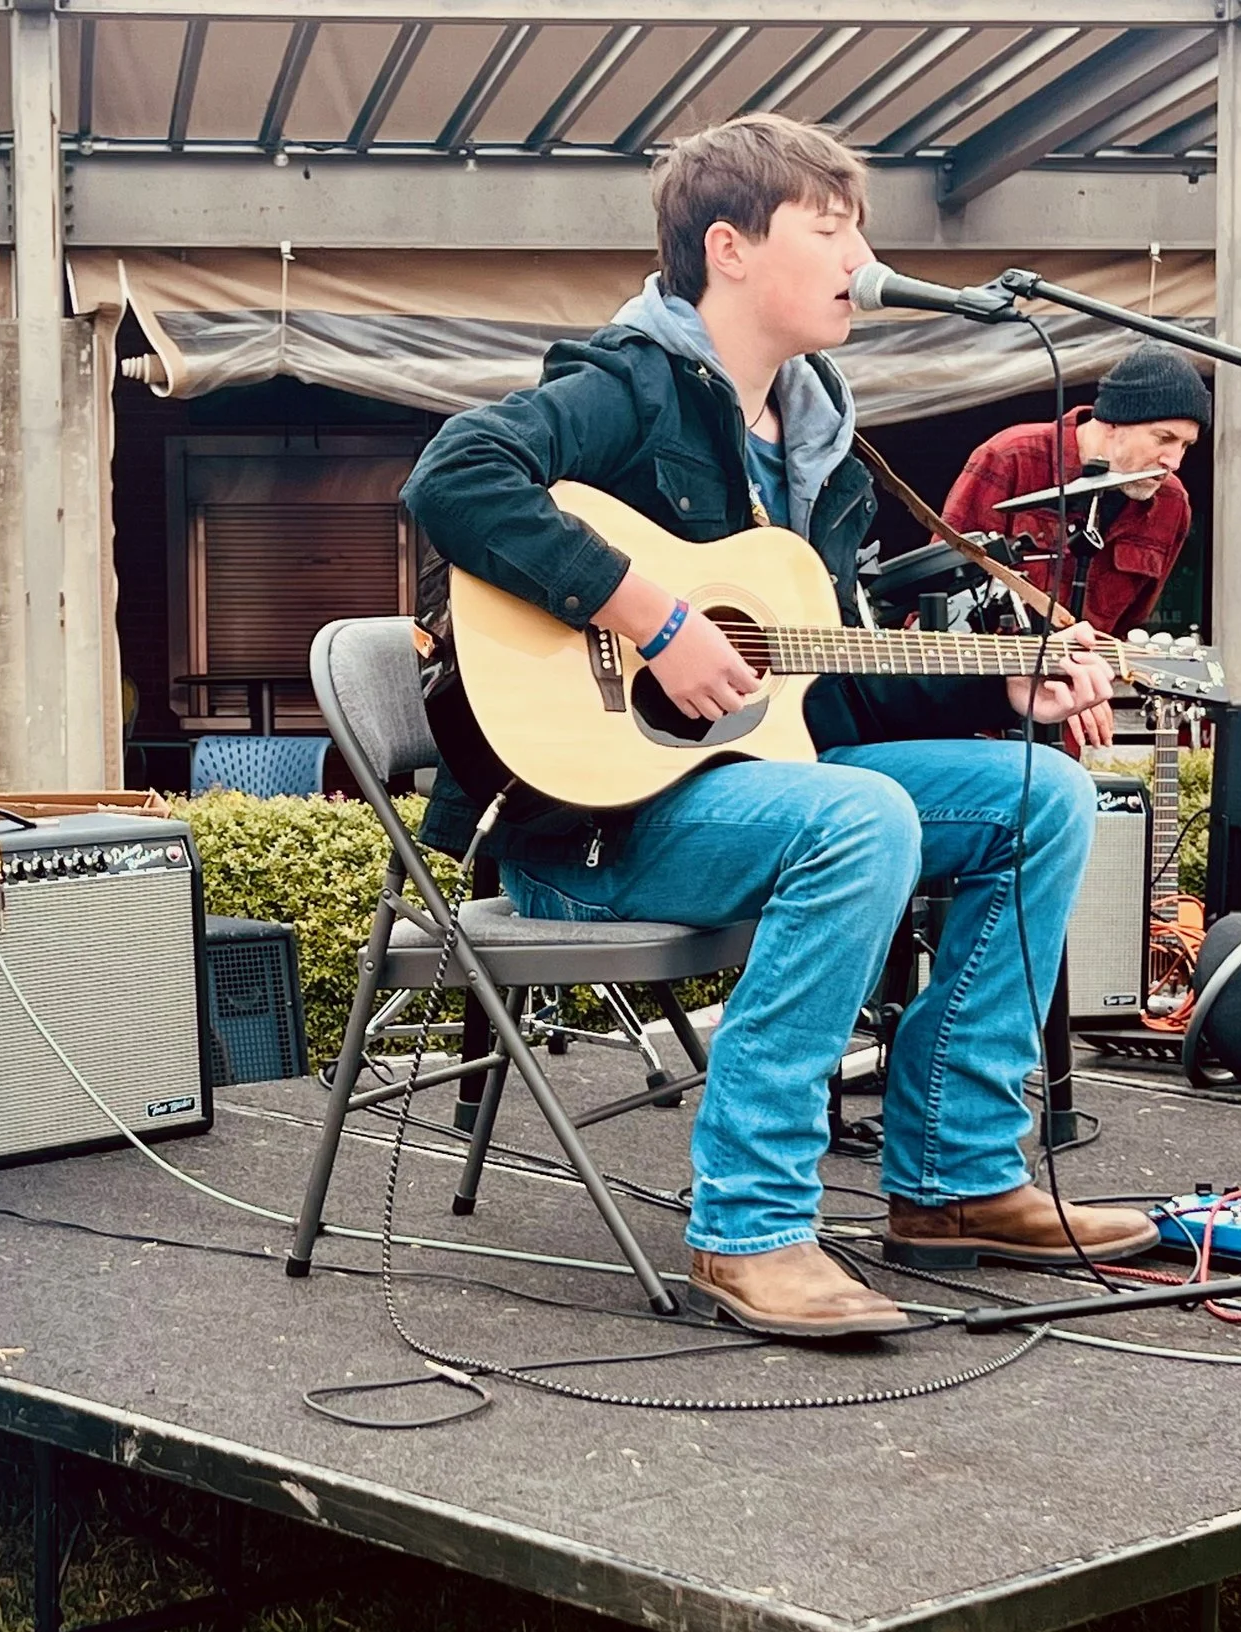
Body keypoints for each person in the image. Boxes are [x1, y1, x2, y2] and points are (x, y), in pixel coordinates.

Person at [402, 114, 1158, 1341]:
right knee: (859, 815)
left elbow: (822, 690)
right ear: (730, 249)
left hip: (741, 793)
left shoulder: (821, 448)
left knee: (1044, 793)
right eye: (831, 226)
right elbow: (454, 478)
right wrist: (653, 618)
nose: (861, 255)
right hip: (585, 827)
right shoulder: (626, 386)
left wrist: (993, 688)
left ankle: (954, 1180)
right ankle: (747, 1226)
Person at [941, 342, 1209, 635]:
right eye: (1163, 438)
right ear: (1112, 422)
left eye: (1185, 445)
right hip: (986, 670)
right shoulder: (1011, 457)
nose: (1175, 461)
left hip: (1086, 675)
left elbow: (1128, 625)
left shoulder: (1172, 503)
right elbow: (941, 592)